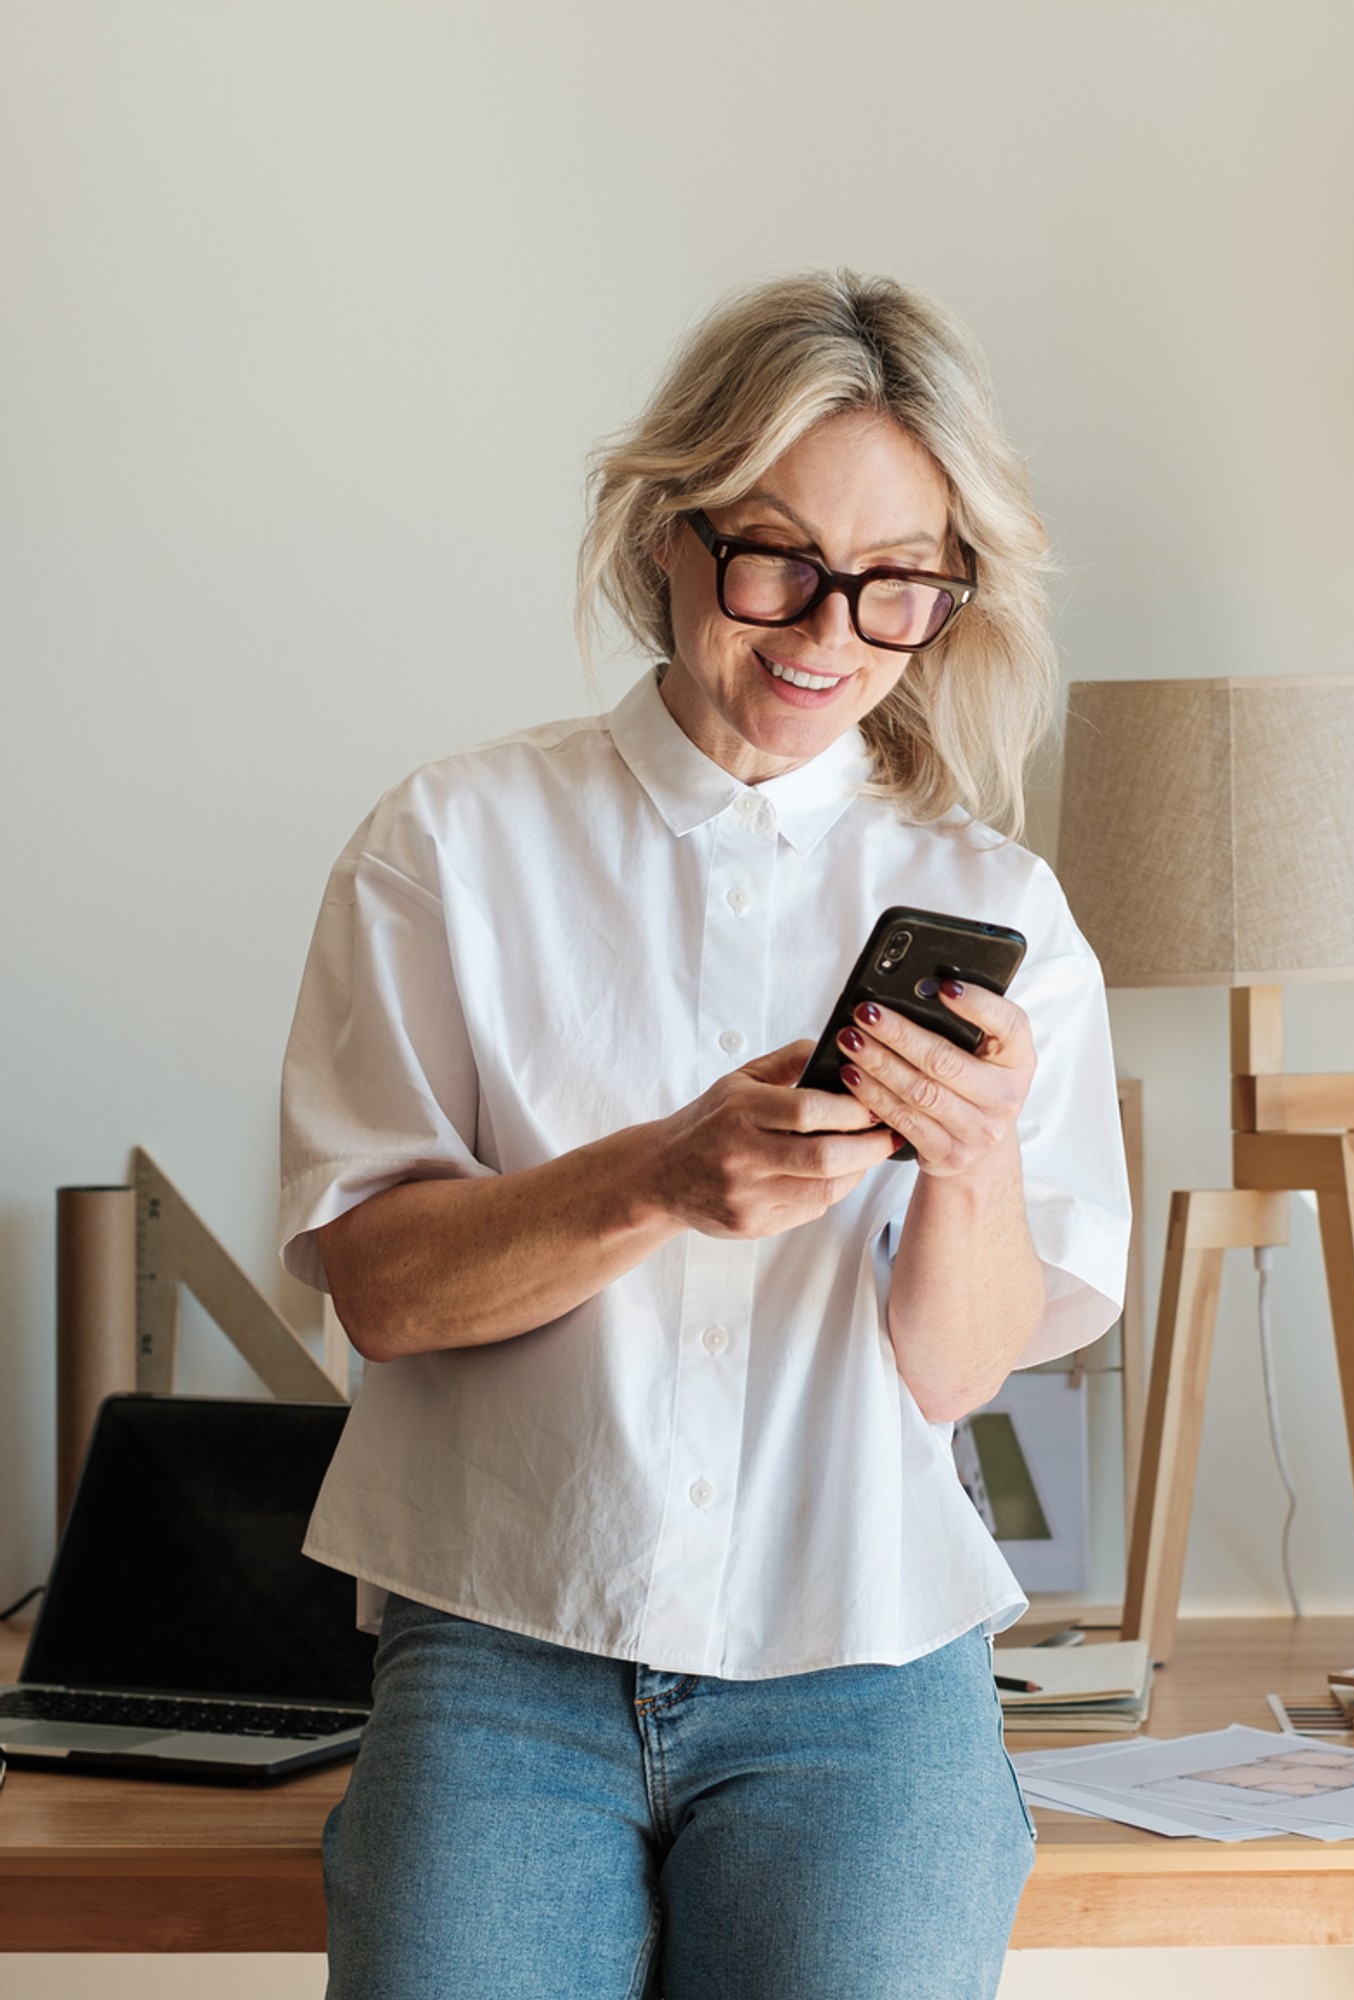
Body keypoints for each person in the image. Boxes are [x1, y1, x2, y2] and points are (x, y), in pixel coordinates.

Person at [277, 269, 1129, 2000]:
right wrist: (657, 1175)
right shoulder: (450, 847)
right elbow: (379, 1290)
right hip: (504, 1641)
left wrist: (967, 1166)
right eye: (779, 564)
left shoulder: (991, 901)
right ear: (668, 534)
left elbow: (963, 1373)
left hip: (869, 1659)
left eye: (896, 588)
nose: (827, 639)